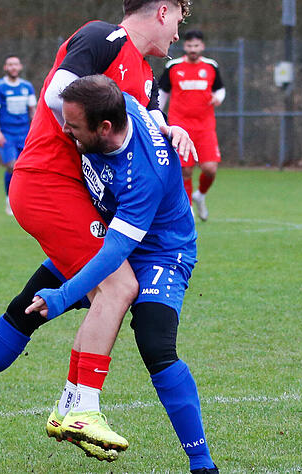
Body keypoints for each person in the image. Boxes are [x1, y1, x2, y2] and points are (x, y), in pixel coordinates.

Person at [0, 0, 195, 463]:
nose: (179, 34)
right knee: (118, 285)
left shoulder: (146, 77)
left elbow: (142, 124)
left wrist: (171, 129)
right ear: (164, 11)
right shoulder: (103, 37)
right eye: (181, 20)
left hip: (76, 196)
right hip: (52, 182)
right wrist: (86, 129)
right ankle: (80, 408)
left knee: (34, 300)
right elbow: (58, 95)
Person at [26, 74, 216, 473]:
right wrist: (171, 124)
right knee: (21, 308)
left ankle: (202, 464)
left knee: (155, 344)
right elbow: (148, 105)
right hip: (107, 235)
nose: (64, 130)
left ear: (104, 128)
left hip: (162, 252)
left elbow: (114, 255)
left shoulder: (142, 175)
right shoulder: (117, 102)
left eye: (73, 126)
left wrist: (63, 296)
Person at [158, 30, 225, 221]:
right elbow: (162, 93)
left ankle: (200, 195)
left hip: (205, 127)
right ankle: (187, 208)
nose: (192, 49)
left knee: (210, 169)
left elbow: (220, 89)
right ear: (184, 46)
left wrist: (218, 98)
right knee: (185, 169)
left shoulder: (211, 66)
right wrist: (158, 118)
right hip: (181, 126)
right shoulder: (173, 66)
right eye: (189, 46)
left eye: (196, 46)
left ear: (202, 46)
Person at [0, 56, 37, 215]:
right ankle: (10, 199)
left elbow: (33, 110)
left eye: (15, 64)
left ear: (20, 67)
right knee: (12, 166)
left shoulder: (27, 86)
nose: (13, 67)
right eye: (10, 64)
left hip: (25, 134)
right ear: (5, 67)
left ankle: (24, 200)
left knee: (26, 168)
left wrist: (36, 130)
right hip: (7, 134)